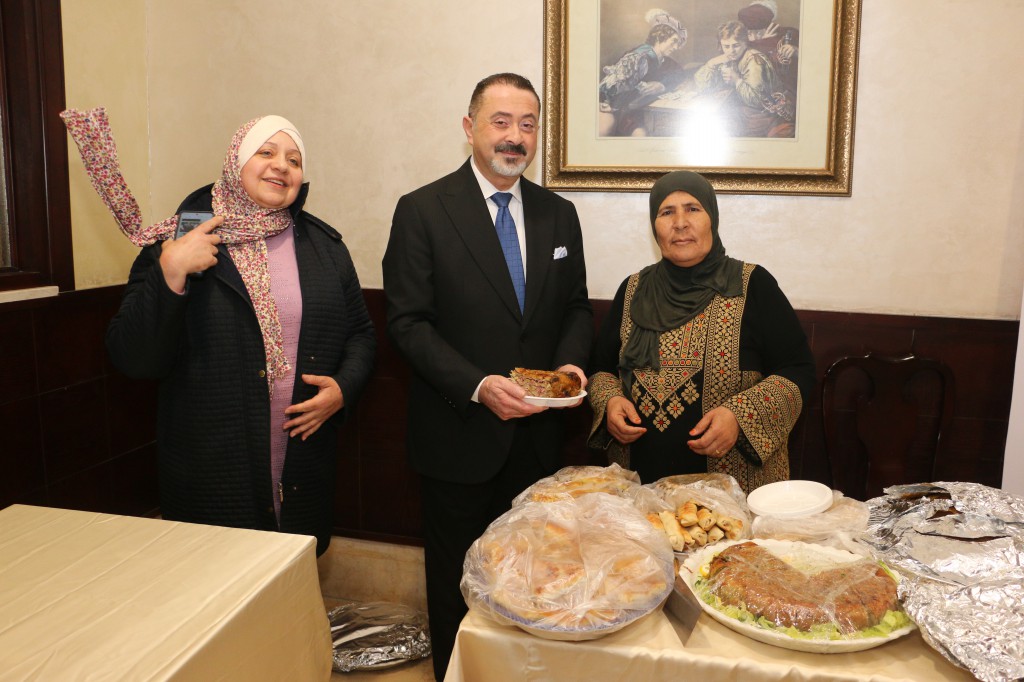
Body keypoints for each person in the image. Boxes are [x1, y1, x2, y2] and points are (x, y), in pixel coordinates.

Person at [382, 73, 592, 679]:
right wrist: (478, 386)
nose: (515, 137)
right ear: (470, 127)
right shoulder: (423, 210)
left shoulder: (559, 214)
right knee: (458, 588)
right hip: (458, 437)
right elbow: (408, 323)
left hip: (539, 441)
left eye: (527, 124)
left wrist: (570, 363)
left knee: (534, 584)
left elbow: (576, 307)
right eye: (501, 122)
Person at [105, 116, 376, 556]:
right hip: (212, 469)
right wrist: (170, 273)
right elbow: (133, 358)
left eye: (294, 159)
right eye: (265, 152)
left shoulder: (324, 247)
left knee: (291, 579)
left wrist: (343, 389)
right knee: (216, 584)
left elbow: (361, 334)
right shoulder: (178, 241)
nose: (281, 165)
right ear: (235, 162)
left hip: (301, 464)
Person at [587, 170, 813, 492]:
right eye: (667, 212)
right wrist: (609, 401)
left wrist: (739, 416)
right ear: (654, 225)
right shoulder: (633, 290)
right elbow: (601, 369)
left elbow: (797, 369)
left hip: (732, 493)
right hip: (640, 491)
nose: (680, 223)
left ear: (712, 218)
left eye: (693, 209)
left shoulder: (752, 285)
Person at [693, 20, 792, 137]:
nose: (731, 51)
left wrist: (736, 79)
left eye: (736, 45)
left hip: (762, 117)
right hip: (743, 112)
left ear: (745, 43)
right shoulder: (729, 58)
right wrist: (712, 63)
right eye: (726, 46)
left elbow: (756, 100)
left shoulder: (754, 60)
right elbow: (701, 86)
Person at [598, 8, 688, 136]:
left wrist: (661, 85)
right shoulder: (640, 57)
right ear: (660, 36)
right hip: (614, 108)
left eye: (678, 44)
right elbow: (614, 89)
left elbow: (680, 74)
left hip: (635, 111)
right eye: (674, 41)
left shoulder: (663, 60)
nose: (676, 47)